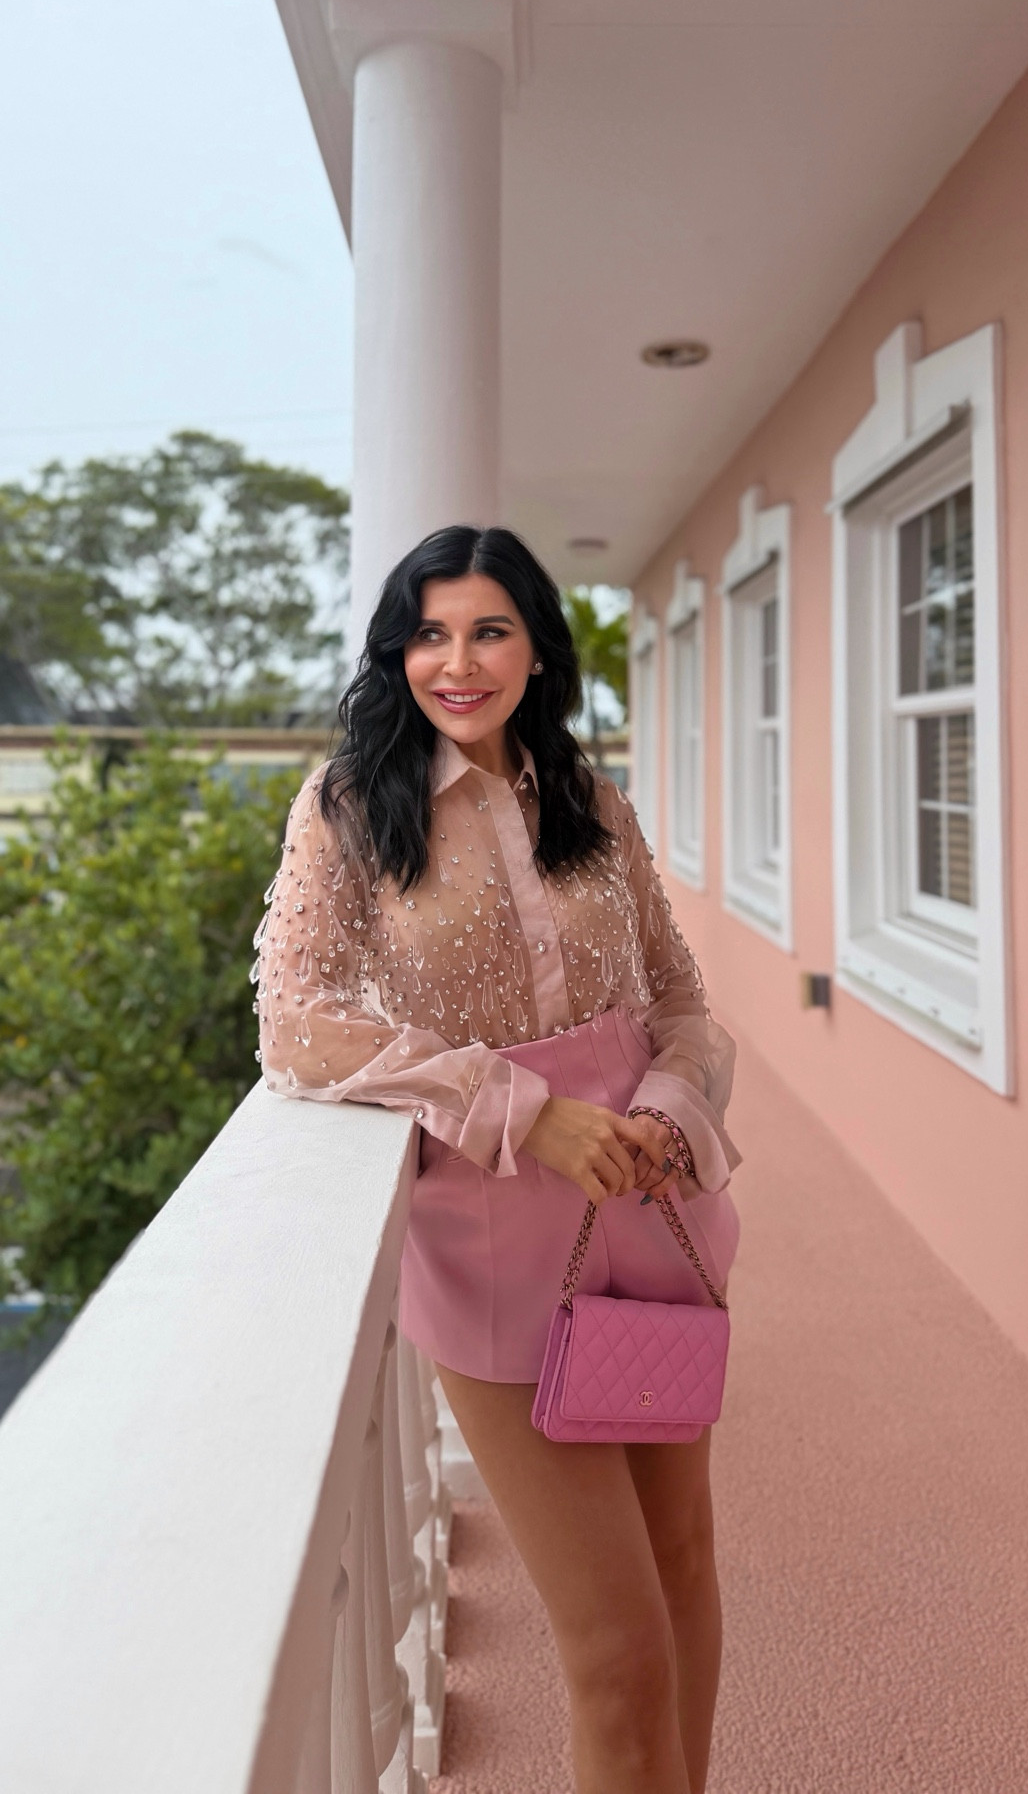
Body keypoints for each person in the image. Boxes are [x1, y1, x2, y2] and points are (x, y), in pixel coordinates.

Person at [255, 524, 742, 1794]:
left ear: (537, 646)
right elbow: (298, 1023)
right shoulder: (353, 806)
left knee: (687, 1571)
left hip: (646, 1200)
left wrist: (672, 1110)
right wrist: (524, 1110)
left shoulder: (588, 796)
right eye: (427, 632)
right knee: (619, 1649)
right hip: (493, 1233)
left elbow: (682, 997)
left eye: (487, 629)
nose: (455, 662)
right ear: (395, 651)